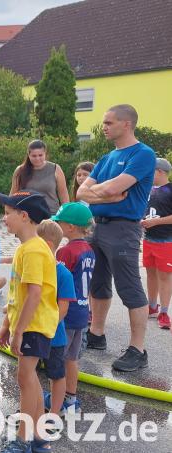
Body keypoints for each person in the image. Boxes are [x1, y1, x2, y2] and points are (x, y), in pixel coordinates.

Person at [76, 104, 155, 372]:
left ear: (127, 124)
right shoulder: (107, 158)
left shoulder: (143, 154)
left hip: (124, 228)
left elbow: (113, 187)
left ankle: (137, 349)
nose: (105, 126)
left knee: (129, 286)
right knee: (97, 283)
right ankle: (96, 335)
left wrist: (104, 191)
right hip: (97, 226)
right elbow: (81, 193)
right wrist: (107, 194)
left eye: (109, 122)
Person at [0, 190, 57, 453]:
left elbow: (33, 294)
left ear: (24, 216)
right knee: (29, 379)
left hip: (34, 325)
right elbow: (17, 294)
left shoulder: (33, 250)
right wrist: (7, 325)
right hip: (29, 324)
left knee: (25, 378)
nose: (3, 218)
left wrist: (18, 331)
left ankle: (23, 441)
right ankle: (39, 437)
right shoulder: (26, 248)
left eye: (8, 213)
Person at [51, 201, 96, 414]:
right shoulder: (89, 250)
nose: (56, 226)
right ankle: (71, 398)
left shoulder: (66, 252)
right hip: (82, 311)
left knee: (58, 357)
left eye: (58, 223)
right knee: (73, 358)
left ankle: (57, 401)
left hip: (66, 312)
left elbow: (57, 282)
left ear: (69, 227)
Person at [35, 220, 77, 427]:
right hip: (34, 332)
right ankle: (33, 409)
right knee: (30, 373)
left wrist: (48, 327)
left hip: (53, 335)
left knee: (56, 374)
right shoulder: (34, 268)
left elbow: (64, 308)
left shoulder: (62, 273)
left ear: (48, 245)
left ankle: (55, 412)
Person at [140, 158, 172, 330]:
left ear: (160, 171)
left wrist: (157, 222)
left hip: (166, 241)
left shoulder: (170, 189)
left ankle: (165, 312)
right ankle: (152, 306)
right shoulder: (148, 189)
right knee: (151, 274)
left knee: (165, 277)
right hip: (148, 239)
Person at [10, 140, 70, 214]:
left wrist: (67, 215)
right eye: (34, 156)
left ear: (45, 154)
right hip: (27, 216)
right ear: (28, 155)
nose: (37, 159)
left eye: (40, 155)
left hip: (51, 215)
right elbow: (12, 196)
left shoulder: (56, 169)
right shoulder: (20, 171)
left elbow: (64, 196)